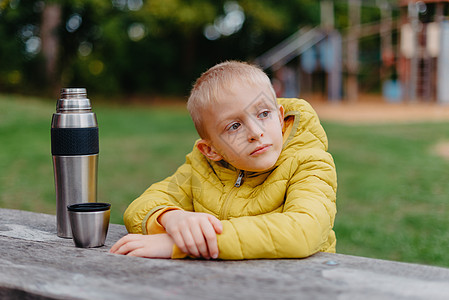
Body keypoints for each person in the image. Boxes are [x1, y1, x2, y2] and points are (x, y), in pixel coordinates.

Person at [110, 61, 337, 260]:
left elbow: (303, 231)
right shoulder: (202, 169)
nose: (256, 132)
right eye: (234, 126)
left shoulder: (310, 164)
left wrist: (187, 245)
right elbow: (137, 210)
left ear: (280, 117)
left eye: (263, 114)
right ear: (210, 150)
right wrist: (171, 218)